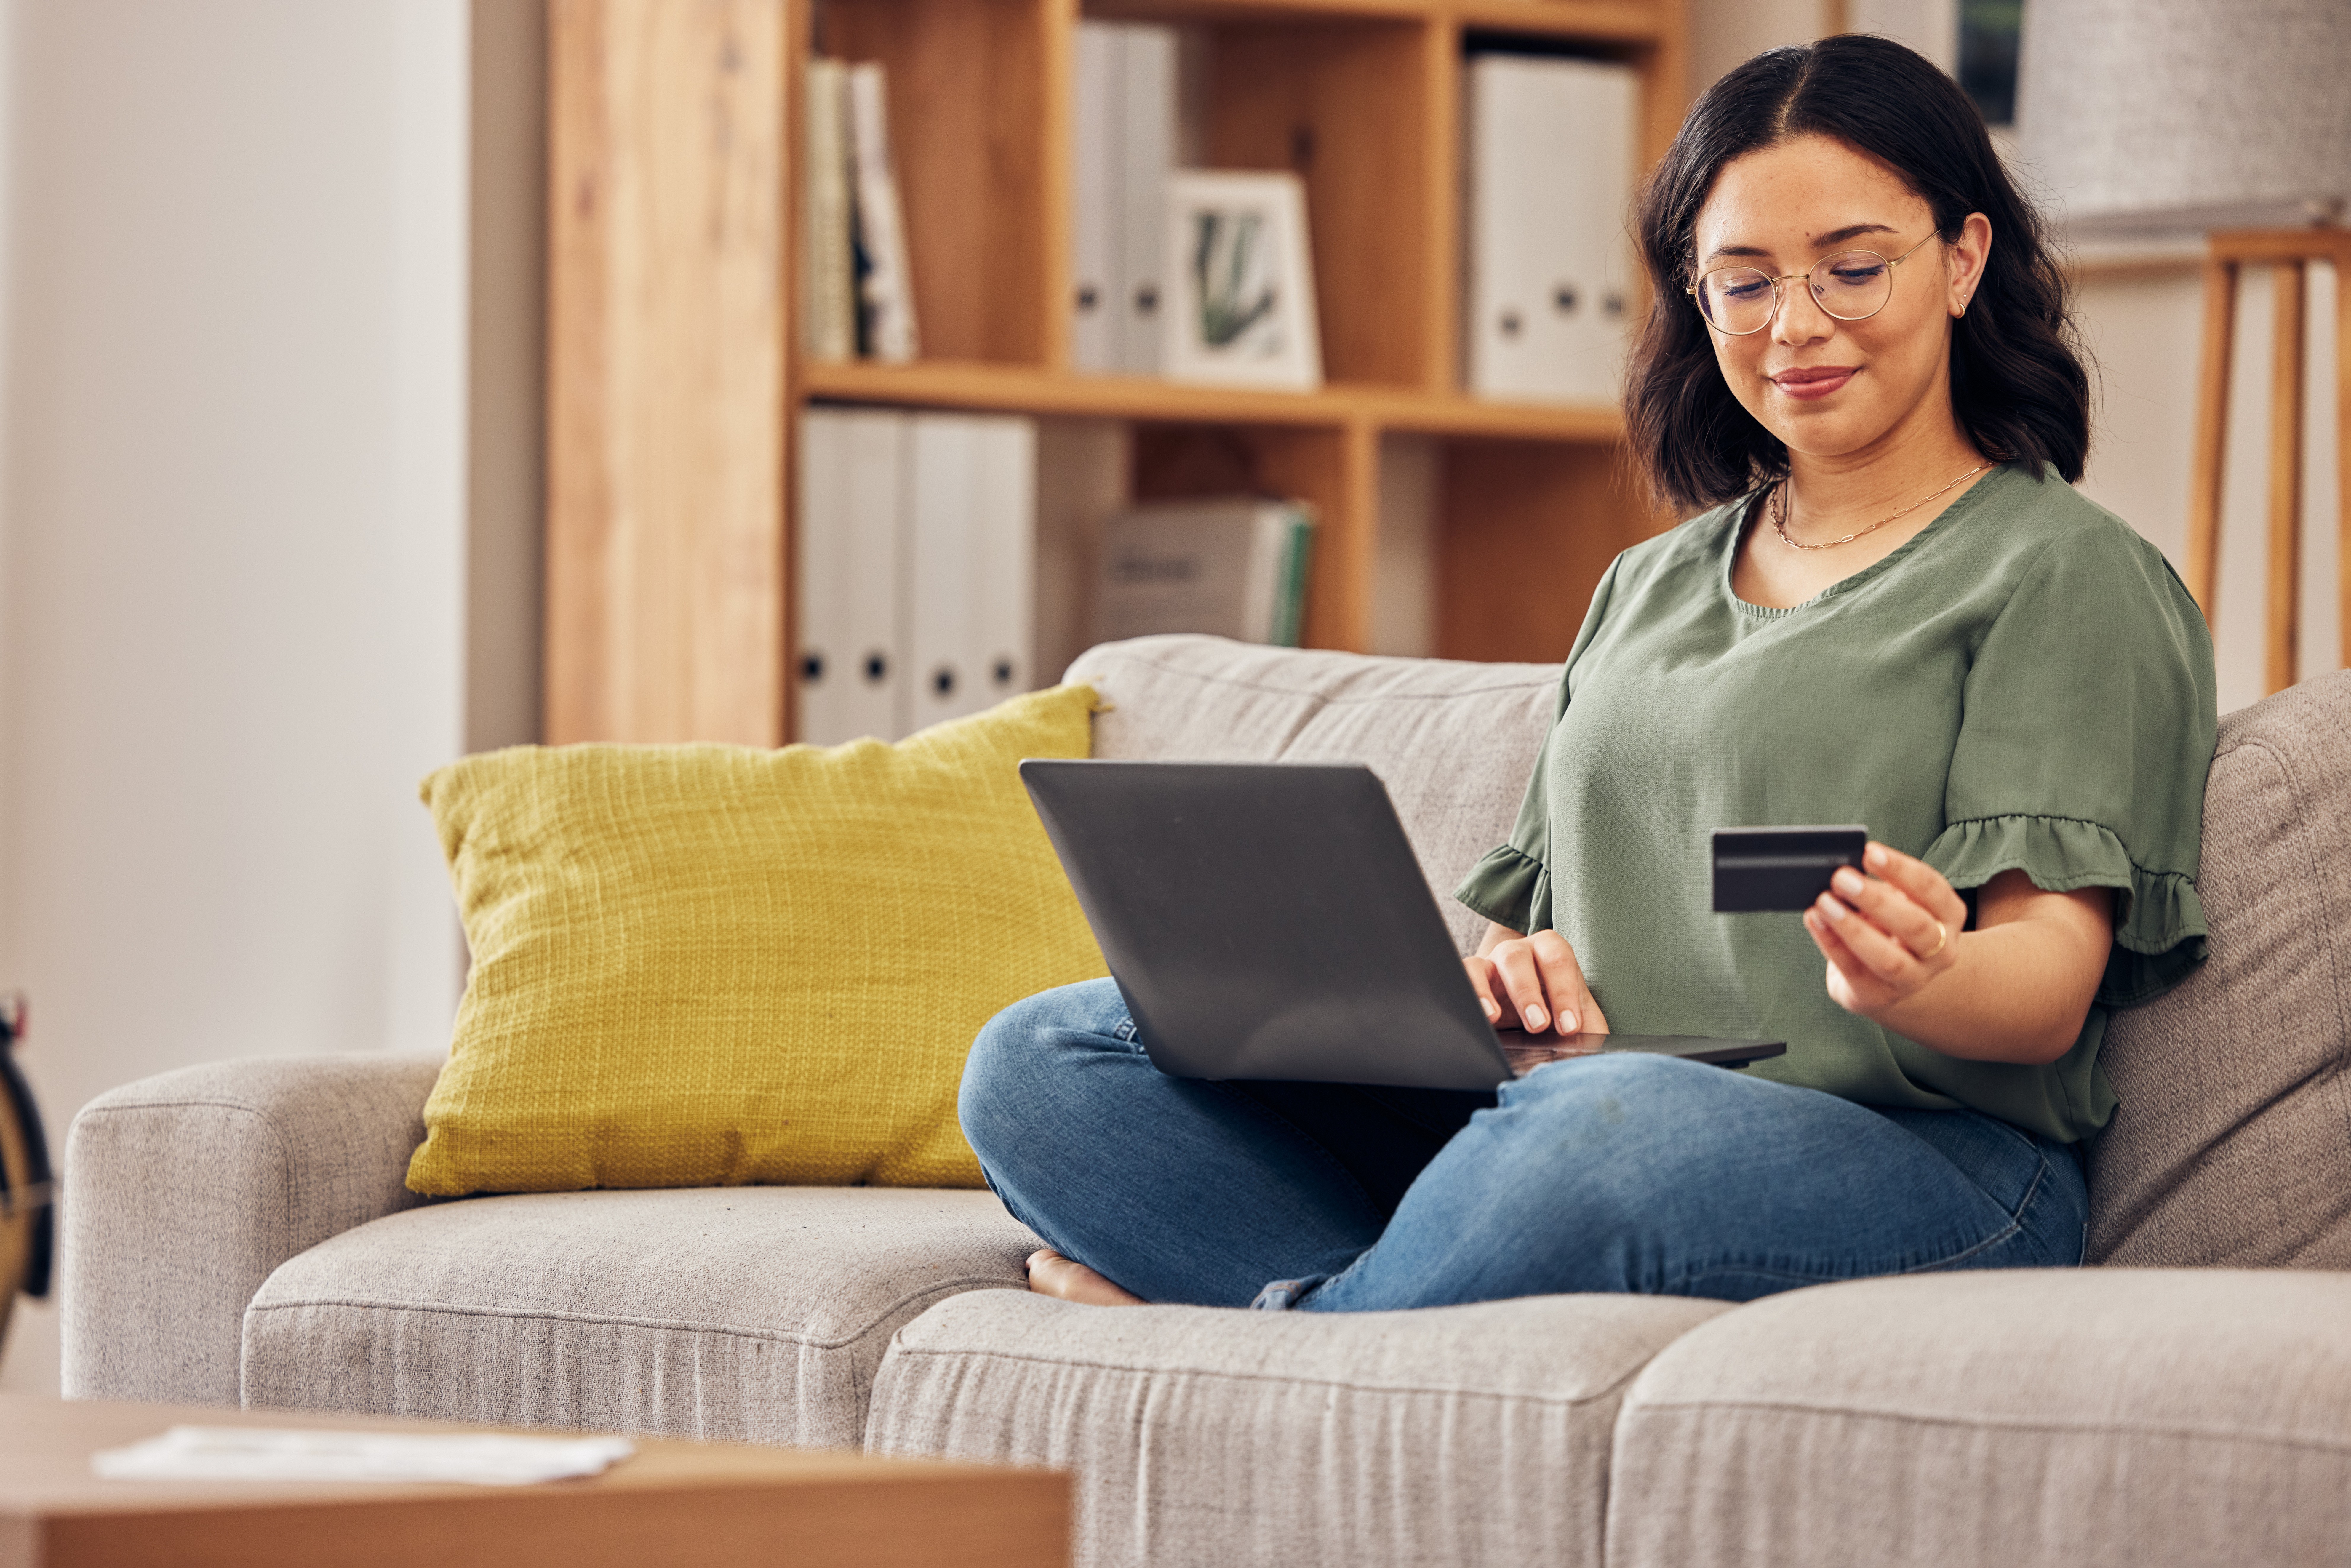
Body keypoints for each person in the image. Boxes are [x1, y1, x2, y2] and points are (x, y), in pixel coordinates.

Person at [958, 33, 2217, 1312]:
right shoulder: (1648, 585)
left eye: (1851, 271)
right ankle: (1383, 1304)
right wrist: (1501, 985)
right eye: (1743, 284)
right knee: (1046, 1056)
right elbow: (1535, 935)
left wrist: (1925, 976)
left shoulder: (2064, 574)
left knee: (1602, 1130)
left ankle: (1268, 1342)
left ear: (1961, 260)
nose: (1795, 329)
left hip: (1919, 1164)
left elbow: (2046, 991)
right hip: (1565, 1110)